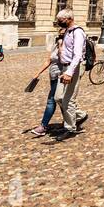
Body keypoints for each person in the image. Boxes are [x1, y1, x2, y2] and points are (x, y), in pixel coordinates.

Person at [30, 10, 87, 138]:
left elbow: (77, 55)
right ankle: (80, 115)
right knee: (57, 97)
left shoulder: (77, 32)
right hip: (64, 68)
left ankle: (70, 128)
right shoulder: (67, 32)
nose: (58, 22)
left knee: (68, 99)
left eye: (60, 20)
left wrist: (69, 72)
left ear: (69, 19)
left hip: (73, 68)